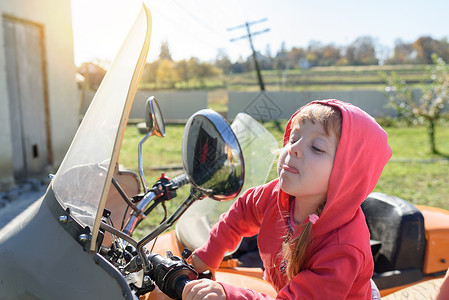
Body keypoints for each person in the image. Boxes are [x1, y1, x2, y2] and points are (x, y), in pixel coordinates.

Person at [182, 99, 392, 299]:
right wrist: (209, 254)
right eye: (294, 137)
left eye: (317, 147)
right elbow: (243, 211)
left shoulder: (342, 248)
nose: (293, 148)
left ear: (348, 173)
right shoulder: (276, 195)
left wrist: (228, 295)